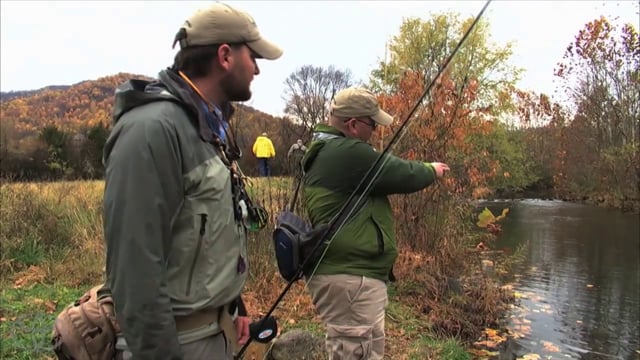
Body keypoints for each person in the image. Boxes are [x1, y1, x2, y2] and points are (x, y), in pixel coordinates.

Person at [101, 3, 282, 359]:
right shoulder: (152, 130)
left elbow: (203, 242)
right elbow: (135, 272)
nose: (258, 69)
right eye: (254, 56)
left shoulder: (207, 127)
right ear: (225, 56)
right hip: (179, 346)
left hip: (216, 335)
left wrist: (231, 313)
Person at [301, 87, 449, 360]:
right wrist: (431, 170)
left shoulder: (330, 149)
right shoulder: (347, 152)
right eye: (372, 124)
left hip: (352, 277)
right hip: (350, 278)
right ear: (353, 124)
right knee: (355, 352)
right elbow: (402, 173)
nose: (376, 132)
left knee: (364, 349)